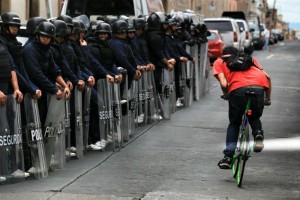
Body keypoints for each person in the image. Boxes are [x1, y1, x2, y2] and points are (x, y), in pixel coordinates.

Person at [213, 46, 272, 169]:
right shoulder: (249, 59)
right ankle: (258, 134)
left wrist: (226, 94)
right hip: (259, 88)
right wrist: (267, 99)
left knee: (234, 124)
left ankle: (228, 158)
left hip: (238, 90)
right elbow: (268, 77)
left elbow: (224, 83)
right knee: (254, 117)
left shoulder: (219, 62)